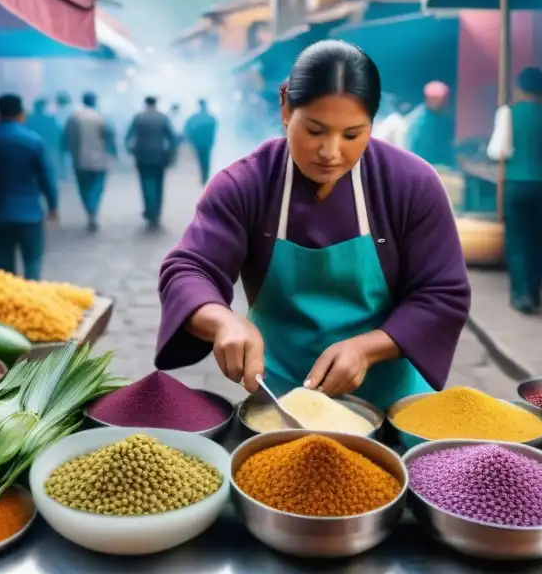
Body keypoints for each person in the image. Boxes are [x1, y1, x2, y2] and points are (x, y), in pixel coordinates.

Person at [155, 40, 470, 406]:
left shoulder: (411, 184)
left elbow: (443, 293)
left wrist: (368, 349)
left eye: (352, 134)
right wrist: (221, 320)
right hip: (281, 399)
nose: (330, 152)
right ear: (285, 107)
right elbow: (189, 269)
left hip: (391, 402)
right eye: (315, 130)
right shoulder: (245, 185)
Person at [487, 66, 542, 314]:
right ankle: (535, 293)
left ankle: (521, 294)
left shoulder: (507, 113)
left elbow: (496, 151)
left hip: (516, 186)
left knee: (517, 241)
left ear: (520, 88)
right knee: (540, 241)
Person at [0, 94, 58, 280]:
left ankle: (8, 306)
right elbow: (47, 178)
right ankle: (32, 302)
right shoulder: (34, 141)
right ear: (21, 114)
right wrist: (53, 205)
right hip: (30, 214)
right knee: (32, 263)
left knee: (1, 270)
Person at [63, 92, 116, 232]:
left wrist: (68, 152)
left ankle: (89, 210)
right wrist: (113, 154)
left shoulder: (74, 117)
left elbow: (66, 138)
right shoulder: (102, 117)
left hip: (80, 160)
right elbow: (110, 137)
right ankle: (93, 210)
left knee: (83, 188)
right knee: (97, 187)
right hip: (100, 160)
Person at [126, 96, 176, 227]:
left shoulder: (138, 118)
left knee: (146, 185)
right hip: (160, 156)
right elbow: (171, 138)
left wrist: (131, 150)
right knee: (159, 186)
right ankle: (157, 213)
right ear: (156, 104)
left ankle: (149, 211)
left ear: (145, 103)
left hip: (142, 156)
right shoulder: (163, 118)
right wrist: (171, 156)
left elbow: (128, 137)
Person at [407, 81, 455, 166]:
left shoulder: (442, 118)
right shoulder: (418, 120)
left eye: (445, 100)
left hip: (440, 166)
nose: (444, 103)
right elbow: (411, 147)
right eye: (441, 100)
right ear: (429, 99)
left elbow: (445, 145)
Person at [25, 99, 62, 179]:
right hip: (48, 147)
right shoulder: (50, 119)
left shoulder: (30, 119)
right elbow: (56, 133)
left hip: (33, 147)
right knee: (48, 168)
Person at [184, 99, 218, 185]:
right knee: (206, 160)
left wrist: (191, 140)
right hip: (207, 143)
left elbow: (187, 129)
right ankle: (205, 177)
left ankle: (202, 177)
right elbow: (214, 130)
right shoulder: (211, 118)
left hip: (198, 143)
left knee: (200, 160)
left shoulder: (194, 118)